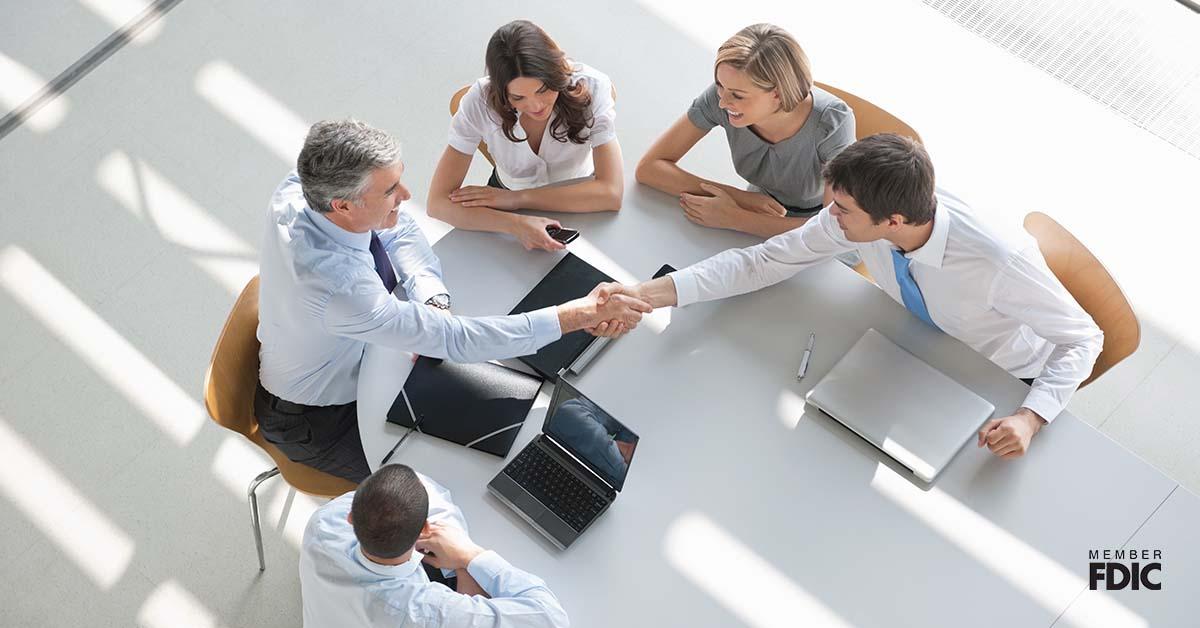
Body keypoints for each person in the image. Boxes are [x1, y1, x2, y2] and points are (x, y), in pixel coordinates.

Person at [603, 134, 1103, 460]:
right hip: (910, 343)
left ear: (895, 223)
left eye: (841, 209)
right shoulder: (861, 217)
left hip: (999, 376)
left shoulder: (999, 261)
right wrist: (647, 294)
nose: (829, 216)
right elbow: (766, 260)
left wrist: (1030, 418)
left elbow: (1083, 339)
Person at [256, 119, 650, 483]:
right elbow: (455, 340)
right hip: (320, 417)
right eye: (391, 190)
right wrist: (576, 315)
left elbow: (398, 228)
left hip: (355, 351)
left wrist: (431, 298)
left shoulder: (305, 186)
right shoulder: (338, 287)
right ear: (343, 205)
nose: (406, 195)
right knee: (442, 487)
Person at [636, 23, 855, 239]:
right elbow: (649, 168)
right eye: (720, 85)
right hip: (756, 212)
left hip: (820, 234)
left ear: (777, 93)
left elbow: (834, 228)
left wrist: (735, 218)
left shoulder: (833, 122)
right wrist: (740, 198)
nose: (722, 102)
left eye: (738, 95)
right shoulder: (721, 97)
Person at [428, 19, 623, 252]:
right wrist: (516, 224)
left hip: (580, 196)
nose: (536, 105)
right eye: (518, 98)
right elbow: (437, 204)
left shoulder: (593, 85)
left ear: (557, 73)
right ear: (501, 92)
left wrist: (517, 199)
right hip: (506, 199)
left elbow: (611, 193)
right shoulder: (480, 100)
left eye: (543, 90)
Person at [300, 463, 570, 628]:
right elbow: (550, 619)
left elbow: (413, 485)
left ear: (350, 517)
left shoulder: (323, 524)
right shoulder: (425, 614)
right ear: (425, 529)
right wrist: (468, 556)